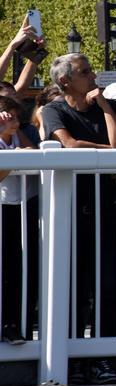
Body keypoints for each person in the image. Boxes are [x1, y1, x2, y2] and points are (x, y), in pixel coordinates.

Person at [41, 53, 116, 385]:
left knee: (108, 284)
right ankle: (74, 356)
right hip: (70, 212)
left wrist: (107, 108)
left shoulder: (108, 106)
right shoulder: (52, 110)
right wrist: (109, 151)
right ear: (64, 81)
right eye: (84, 72)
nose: (93, 76)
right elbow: (70, 145)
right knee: (74, 286)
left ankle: (103, 358)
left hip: (107, 207)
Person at [0, 95, 38, 346]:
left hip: (23, 209)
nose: (14, 120)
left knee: (19, 269)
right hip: (3, 208)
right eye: (8, 115)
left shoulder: (17, 137)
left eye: (16, 116)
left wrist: (15, 136)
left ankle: (14, 325)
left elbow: (33, 154)